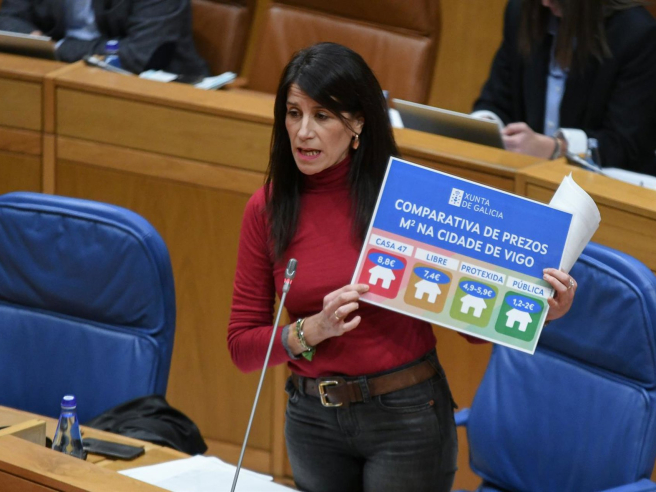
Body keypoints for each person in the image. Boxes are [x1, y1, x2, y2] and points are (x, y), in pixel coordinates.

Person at [228, 42, 577, 492]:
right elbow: (242, 347)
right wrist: (312, 330)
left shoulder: (407, 200)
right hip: (312, 420)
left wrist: (538, 310)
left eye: (323, 115)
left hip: (405, 417)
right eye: (293, 114)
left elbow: (473, 327)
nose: (303, 132)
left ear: (357, 123)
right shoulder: (267, 209)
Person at [473, 0, 656, 176]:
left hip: (596, 186)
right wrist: (483, 126)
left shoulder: (636, 33)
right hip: (525, 178)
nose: (545, 2)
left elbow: (625, 145)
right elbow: (497, 99)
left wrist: (557, 148)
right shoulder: (524, 10)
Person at [0, 0, 209, 76]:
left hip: (156, 88)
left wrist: (57, 48)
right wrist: (34, 38)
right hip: (63, 77)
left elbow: (139, 55)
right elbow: (7, 18)